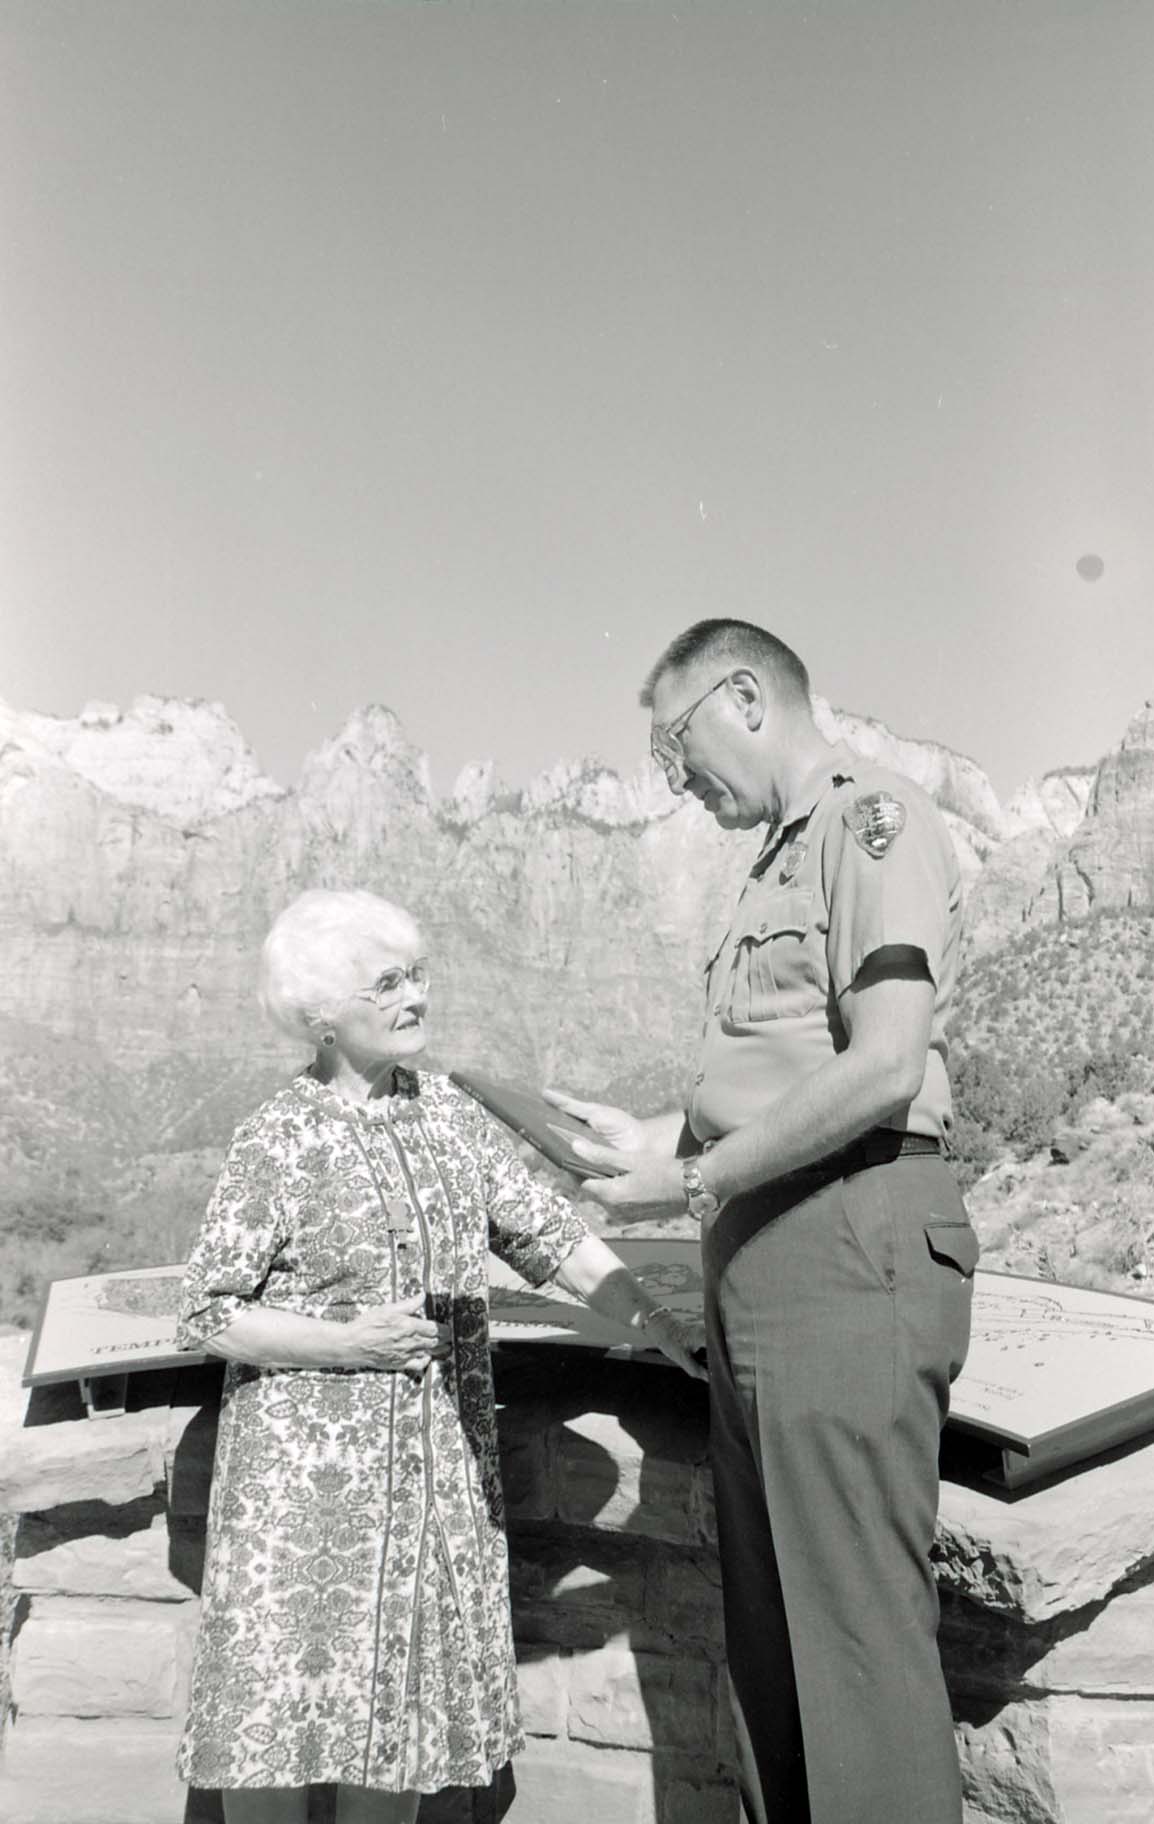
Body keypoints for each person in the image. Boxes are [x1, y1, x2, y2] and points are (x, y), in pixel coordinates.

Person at [545, 618, 977, 1824]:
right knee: (776, 1652)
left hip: (848, 1236)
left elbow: (886, 1066)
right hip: (767, 1251)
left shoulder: (867, 820)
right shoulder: (771, 863)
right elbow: (770, 1077)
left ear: (745, 696)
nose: (678, 780)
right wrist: (641, 1141)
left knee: (851, 1651)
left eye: (677, 745)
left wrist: (690, 1182)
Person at [175, 887, 705, 1824]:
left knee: (402, 1731)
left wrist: (659, 1324)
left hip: (431, 1490)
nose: (417, 995)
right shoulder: (278, 1136)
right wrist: (346, 1345)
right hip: (301, 1503)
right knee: (278, 1737)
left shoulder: (449, 1114)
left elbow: (549, 1234)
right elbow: (209, 1312)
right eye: (388, 982)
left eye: (418, 973)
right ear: (321, 1016)